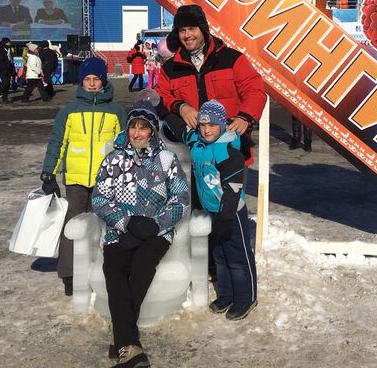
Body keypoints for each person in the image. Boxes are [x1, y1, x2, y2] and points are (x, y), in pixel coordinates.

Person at [93, 98, 189, 366]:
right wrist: (125, 223)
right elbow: (100, 199)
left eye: (143, 128)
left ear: (152, 131)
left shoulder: (166, 160)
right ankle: (129, 342)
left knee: (143, 265)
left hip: (157, 232)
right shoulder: (114, 159)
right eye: (133, 127)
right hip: (119, 231)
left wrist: (156, 225)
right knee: (114, 269)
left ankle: (122, 339)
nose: (137, 133)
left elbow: (180, 199)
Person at [40, 57, 127, 297]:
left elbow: (125, 145)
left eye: (95, 79)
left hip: (105, 179)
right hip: (76, 179)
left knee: (102, 225)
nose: (91, 84)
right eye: (87, 80)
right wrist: (49, 173)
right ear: (81, 82)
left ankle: (101, 270)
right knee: (74, 224)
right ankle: (70, 273)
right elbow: (58, 142)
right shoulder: (70, 111)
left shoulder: (116, 111)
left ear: (103, 80)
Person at [164, 99, 257, 321]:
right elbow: (176, 126)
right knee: (220, 255)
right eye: (203, 125)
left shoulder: (227, 150)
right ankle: (226, 294)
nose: (206, 130)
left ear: (222, 126)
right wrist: (168, 108)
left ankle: (246, 296)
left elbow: (233, 190)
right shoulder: (196, 141)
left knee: (237, 256)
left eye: (212, 125)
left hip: (231, 212)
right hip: (212, 212)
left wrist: (226, 219)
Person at [156, 4, 267, 169]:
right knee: (194, 195)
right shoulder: (170, 68)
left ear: (203, 29)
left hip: (230, 148)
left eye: (192, 29)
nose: (187, 35)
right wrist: (180, 107)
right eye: (182, 30)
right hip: (191, 153)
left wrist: (245, 117)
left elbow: (255, 90)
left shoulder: (232, 59)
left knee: (229, 195)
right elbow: (159, 97)